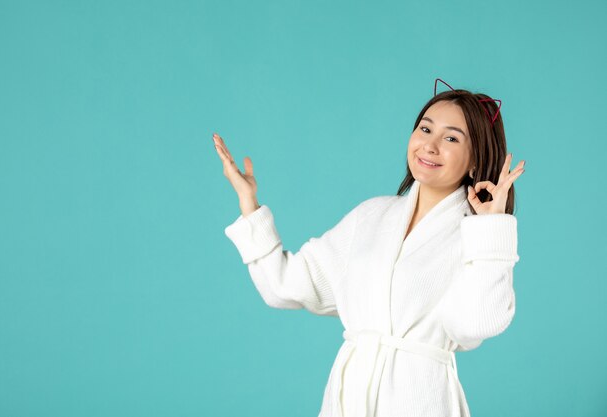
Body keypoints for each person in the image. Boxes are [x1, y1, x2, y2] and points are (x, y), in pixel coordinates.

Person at [212, 78, 526, 417]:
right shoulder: (372, 216)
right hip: (347, 400)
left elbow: (476, 324)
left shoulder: (476, 236)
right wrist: (249, 204)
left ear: (475, 159)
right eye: (424, 129)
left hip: (419, 400)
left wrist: (492, 227)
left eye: (451, 138)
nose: (430, 145)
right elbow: (285, 285)